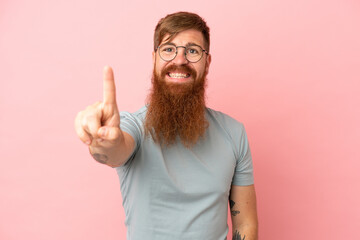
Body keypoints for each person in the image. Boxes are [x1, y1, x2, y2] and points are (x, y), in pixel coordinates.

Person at [75, 11, 258, 240]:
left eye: (192, 51)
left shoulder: (234, 133)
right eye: (169, 49)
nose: (180, 60)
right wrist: (101, 140)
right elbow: (114, 149)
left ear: (207, 62)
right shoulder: (133, 127)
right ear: (154, 59)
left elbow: (246, 223)